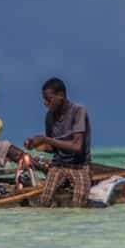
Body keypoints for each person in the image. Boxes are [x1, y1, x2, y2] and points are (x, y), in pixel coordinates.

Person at [24, 77, 91, 207]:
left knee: (79, 205)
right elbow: (52, 147)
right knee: (44, 201)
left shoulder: (78, 110)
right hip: (58, 165)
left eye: (48, 99)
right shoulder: (50, 116)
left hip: (80, 166)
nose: (45, 103)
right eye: (44, 99)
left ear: (60, 96)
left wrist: (45, 139)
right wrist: (34, 144)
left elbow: (77, 146)